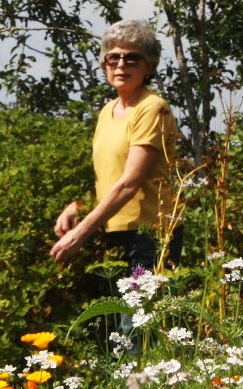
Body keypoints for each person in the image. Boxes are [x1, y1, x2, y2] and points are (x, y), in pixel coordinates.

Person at [50, 20, 181, 272]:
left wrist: (79, 234)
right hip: (114, 232)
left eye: (132, 58)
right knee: (116, 311)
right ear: (105, 64)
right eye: (113, 58)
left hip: (149, 234)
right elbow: (110, 178)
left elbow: (130, 182)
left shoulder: (152, 108)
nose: (121, 65)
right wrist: (78, 206)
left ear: (148, 66)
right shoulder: (107, 111)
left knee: (138, 312)